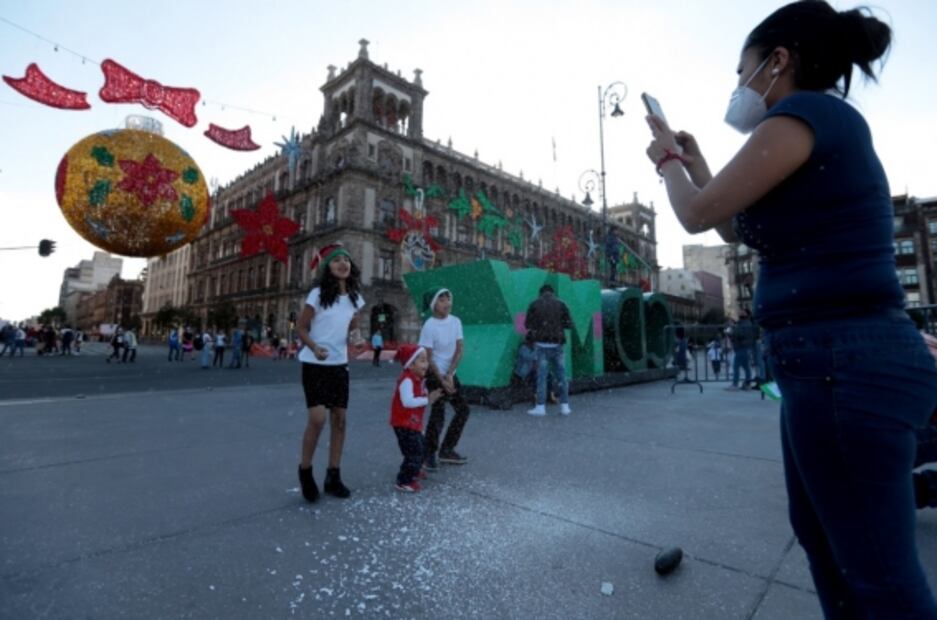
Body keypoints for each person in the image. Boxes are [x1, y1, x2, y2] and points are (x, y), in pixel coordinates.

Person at [645, 2, 937, 614]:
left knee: (875, 572)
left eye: (741, 70)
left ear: (778, 61)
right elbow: (732, 227)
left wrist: (669, 161)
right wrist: (696, 163)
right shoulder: (814, 128)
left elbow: (697, 215)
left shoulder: (801, 113)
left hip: (842, 360)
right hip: (827, 362)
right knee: (828, 545)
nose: (737, 87)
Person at [296, 243, 366, 503]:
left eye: (347, 260)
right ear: (328, 267)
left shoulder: (355, 297)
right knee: (317, 420)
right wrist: (314, 348)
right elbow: (301, 328)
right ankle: (305, 471)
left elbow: (354, 326)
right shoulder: (317, 295)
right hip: (314, 364)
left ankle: (333, 476)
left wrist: (357, 339)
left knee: (340, 420)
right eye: (337, 260)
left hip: (339, 365)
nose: (343, 263)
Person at [418, 288, 471, 469]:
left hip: (449, 373)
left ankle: (447, 450)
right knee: (438, 412)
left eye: (448, 298)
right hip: (433, 373)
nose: (446, 303)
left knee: (463, 409)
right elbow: (428, 356)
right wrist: (441, 380)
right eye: (441, 299)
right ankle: (428, 454)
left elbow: (459, 349)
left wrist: (450, 375)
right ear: (434, 304)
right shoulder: (429, 325)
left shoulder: (455, 321)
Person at [389, 344, 442, 493]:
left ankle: (414, 470)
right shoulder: (407, 380)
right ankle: (404, 480)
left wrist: (429, 395)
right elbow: (407, 402)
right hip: (403, 424)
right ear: (411, 364)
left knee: (421, 447)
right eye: (422, 360)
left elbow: (421, 396)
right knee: (413, 452)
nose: (426, 364)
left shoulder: (418, 379)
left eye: (426, 360)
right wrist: (427, 400)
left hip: (412, 423)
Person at [524, 284, 572, 416]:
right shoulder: (561, 304)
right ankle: (565, 406)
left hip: (541, 345)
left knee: (541, 377)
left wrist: (540, 325)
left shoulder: (534, 304)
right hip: (557, 345)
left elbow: (527, 324)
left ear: (541, 293)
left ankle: (540, 407)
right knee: (561, 376)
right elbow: (569, 324)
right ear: (552, 292)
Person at [727, 310, 755, 390]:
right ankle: (747, 384)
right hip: (744, 347)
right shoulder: (745, 323)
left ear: (746, 314)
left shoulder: (744, 323)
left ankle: (735, 385)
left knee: (736, 366)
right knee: (746, 367)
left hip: (742, 347)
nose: (739, 313)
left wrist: (731, 333)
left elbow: (739, 334)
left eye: (742, 312)